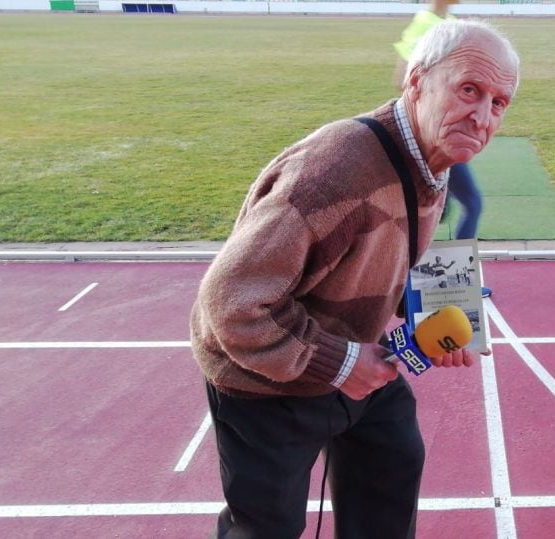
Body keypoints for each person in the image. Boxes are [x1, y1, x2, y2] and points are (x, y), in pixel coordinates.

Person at [190, 20, 519, 539]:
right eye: (469, 90)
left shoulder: (434, 158)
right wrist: (341, 362)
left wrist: (432, 314)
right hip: (265, 375)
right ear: (417, 82)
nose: (481, 117)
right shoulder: (335, 170)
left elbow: (390, 255)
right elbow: (230, 305)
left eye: (498, 103)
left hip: (354, 353)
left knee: (392, 464)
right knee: (266, 527)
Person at [394, 0, 492, 298]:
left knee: (440, 209)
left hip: (441, 134)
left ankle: (416, 279)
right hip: (436, 138)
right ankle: (452, 281)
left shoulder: (446, 20)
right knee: (469, 203)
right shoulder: (427, 24)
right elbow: (402, 77)